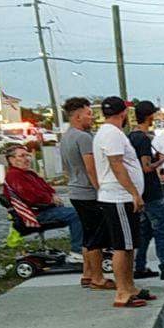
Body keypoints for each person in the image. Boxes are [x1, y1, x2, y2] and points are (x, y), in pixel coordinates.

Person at [92, 96, 154, 307]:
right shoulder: (111, 134)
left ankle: (130, 286)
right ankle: (122, 293)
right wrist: (134, 193)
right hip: (119, 197)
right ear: (123, 113)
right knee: (122, 246)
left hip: (121, 195)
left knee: (129, 246)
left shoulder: (110, 133)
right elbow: (117, 165)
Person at [58, 97, 112, 290]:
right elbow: (91, 168)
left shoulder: (66, 137)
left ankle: (87, 273)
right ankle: (98, 277)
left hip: (75, 190)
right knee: (97, 237)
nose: (91, 117)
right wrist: (101, 190)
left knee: (88, 234)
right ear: (78, 116)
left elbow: (65, 168)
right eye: (89, 113)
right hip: (88, 193)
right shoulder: (84, 138)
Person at [2, 144, 83, 263]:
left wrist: (52, 195)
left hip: (44, 209)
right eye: (22, 156)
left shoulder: (28, 173)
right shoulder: (14, 176)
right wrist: (49, 199)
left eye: (27, 155)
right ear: (12, 159)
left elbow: (46, 187)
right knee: (77, 215)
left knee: (83, 211)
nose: (27, 158)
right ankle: (77, 252)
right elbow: (30, 197)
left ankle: (88, 247)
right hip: (36, 214)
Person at [128, 100, 164, 281]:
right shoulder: (144, 139)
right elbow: (146, 167)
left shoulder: (131, 136)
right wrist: (161, 160)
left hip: (139, 191)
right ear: (149, 116)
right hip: (152, 191)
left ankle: (140, 265)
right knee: (161, 230)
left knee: (144, 232)